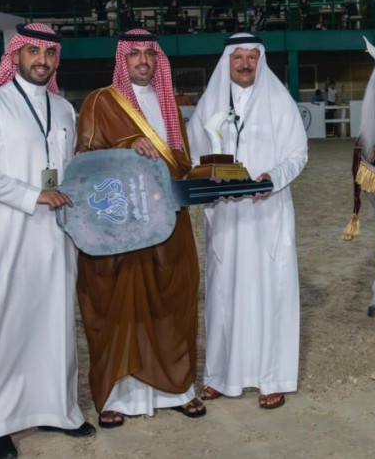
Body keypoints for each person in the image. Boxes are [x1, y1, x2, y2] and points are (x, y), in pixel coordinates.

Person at [0, 23, 95, 459]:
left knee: (55, 320)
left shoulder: (64, 108)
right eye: (33, 51)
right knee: (7, 323)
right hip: (10, 233)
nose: (42, 60)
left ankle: (57, 409)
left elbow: (69, 167)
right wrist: (31, 195)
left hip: (56, 236)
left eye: (50, 54)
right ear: (15, 56)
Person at [75, 29, 204, 429]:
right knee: (118, 305)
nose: (143, 60)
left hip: (167, 219)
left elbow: (180, 161)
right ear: (123, 61)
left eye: (150, 53)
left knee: (173, 296)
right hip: (120, 226)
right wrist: (127, 147)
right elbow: (83, 160)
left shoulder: (170, 106)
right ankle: (117, 395)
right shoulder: (101, 102)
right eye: (135, 55)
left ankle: (177, 390)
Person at [187, 33, 308, 409]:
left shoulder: (278, 100)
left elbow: (298, 153)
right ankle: (221, 376)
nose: (244, 64)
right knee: (224, 292)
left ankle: (271, 377)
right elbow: (194, 154)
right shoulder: (210, 103)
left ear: (261, 60)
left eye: (251, 58)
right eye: (237, 57)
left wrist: (271, 178)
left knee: (271, 290)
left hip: (266, 210)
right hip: (226, 213)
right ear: (227, 61)